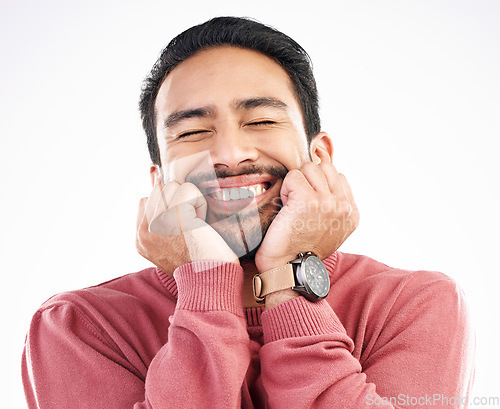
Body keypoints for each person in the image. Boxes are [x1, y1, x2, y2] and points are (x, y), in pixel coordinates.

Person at [22, 17, 474, 408]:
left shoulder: (414, 305)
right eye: (194, 131)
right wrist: (205, 281)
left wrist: (288, 279)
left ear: (321, 157)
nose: (230, 154)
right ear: (159, 182)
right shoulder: (78, 327)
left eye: (260, 121)